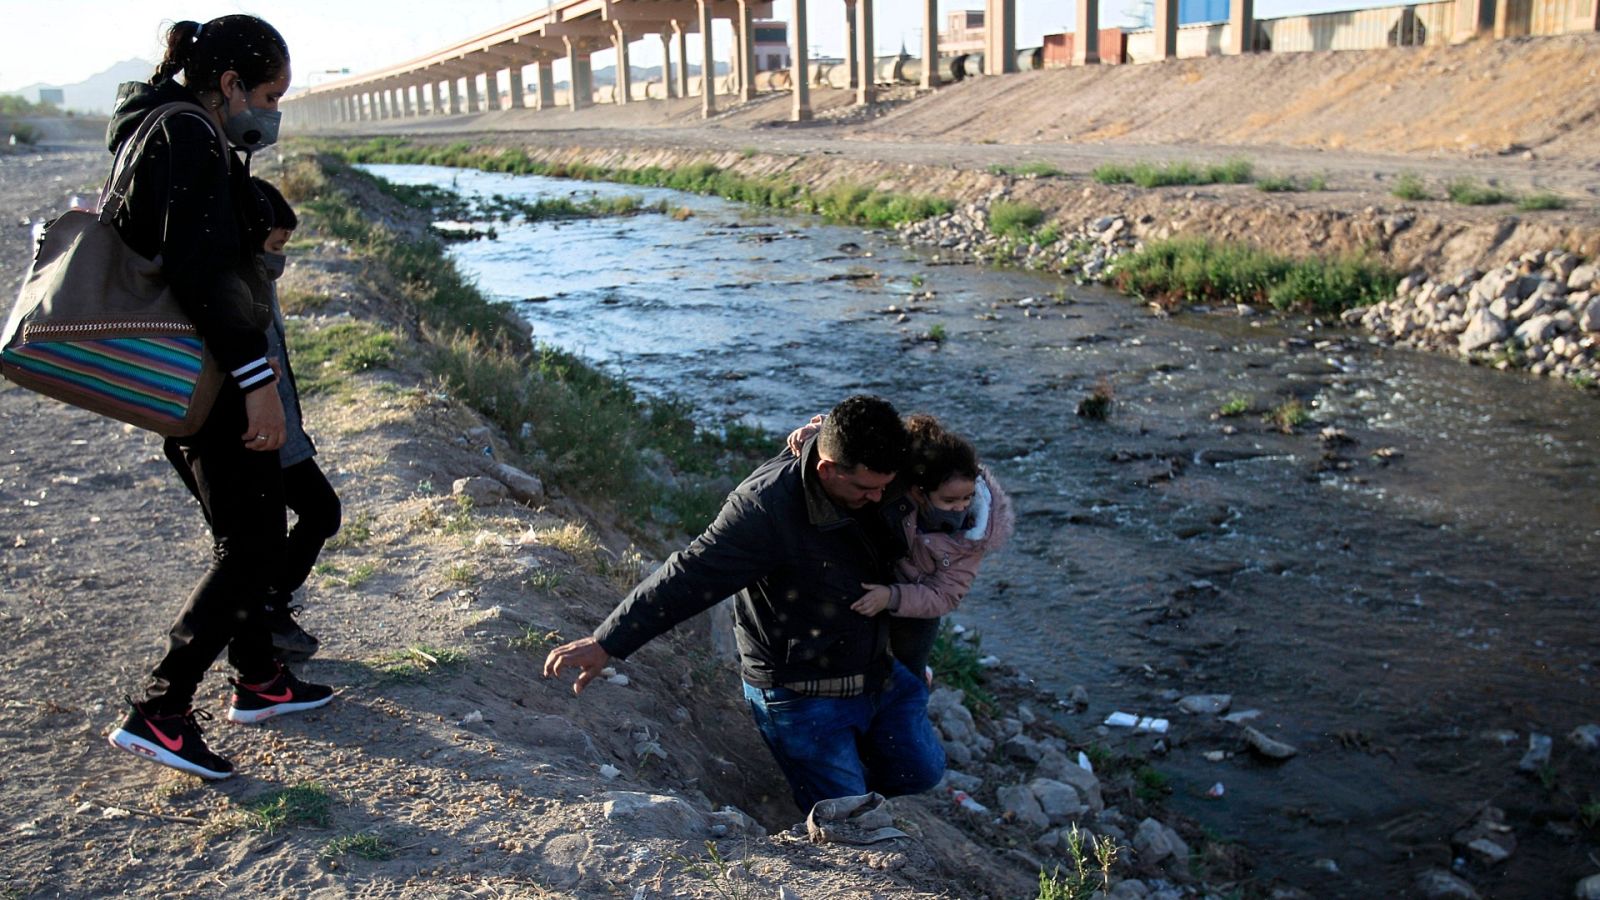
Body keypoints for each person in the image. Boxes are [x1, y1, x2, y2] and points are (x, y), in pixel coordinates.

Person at [105, 15, 332, 782]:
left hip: (194, 376)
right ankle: (160, 709)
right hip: (212, 378)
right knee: (253, 547)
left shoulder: (156, 127)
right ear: (229, 84)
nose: (271, 112)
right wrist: (256, 384)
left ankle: (261, 681)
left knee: (253, 535)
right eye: (268, 94)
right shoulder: (191, 138)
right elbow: (206, 276)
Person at [543, 396, 946, 813]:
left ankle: (835, 776)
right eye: (866, 489)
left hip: (874, 671)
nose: (881, 498)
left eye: (886, 486)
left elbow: (965, 480)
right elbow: (690, 574)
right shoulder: (764, 510)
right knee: (850, 817)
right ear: (827, 469)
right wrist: (607, 641)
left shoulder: (880, 468)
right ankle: (817, 803)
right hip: (802, 696)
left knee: (920, 771)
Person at [789, 413, 1013, 681]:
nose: (961, 507)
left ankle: (916, 687)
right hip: (876, 571)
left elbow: (946, 595)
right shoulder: (903, 473)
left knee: (908, 665)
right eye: (950, 500)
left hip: (917, 605)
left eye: (967, 498)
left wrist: (892, 597)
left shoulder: (972, 537)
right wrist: (814, 434)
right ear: (918, 493)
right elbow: (857, 435)